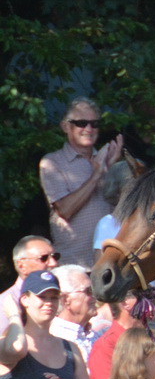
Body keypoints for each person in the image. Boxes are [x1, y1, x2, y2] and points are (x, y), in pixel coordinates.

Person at [40, 99, 124, 267]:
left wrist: (113, 167)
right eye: (81, 123)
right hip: (75, 266)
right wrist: (97, 174)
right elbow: (64, 210)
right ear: (65, 126)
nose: (88, 129)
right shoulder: (52, 162)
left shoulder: (108, 160)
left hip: (111, 267)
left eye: (94, 124)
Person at [49, 265, 106, 362]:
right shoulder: (56, 340)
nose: (94, 295)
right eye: (89, 290)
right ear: (66, 299)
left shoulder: (93, 335)